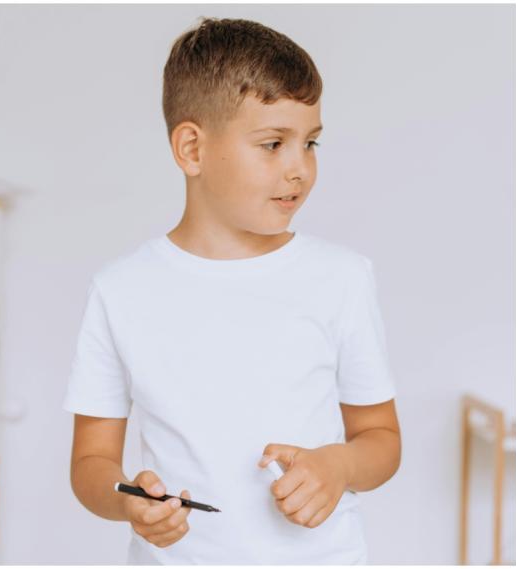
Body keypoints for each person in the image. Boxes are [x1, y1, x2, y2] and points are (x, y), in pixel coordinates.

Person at [62, 16, 402, 564]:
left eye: (310, 143)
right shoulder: (120, 291)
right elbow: (90, 464)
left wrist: (338, 466)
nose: (300, 170)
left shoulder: (342, 278)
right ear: (192, 149)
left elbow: (381, 437)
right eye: (273, 144)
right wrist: (130, 503)